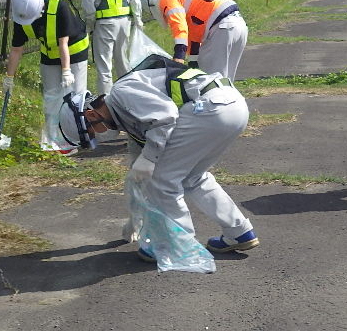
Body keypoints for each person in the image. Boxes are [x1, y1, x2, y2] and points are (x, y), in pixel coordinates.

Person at [57, 55, 258, 262]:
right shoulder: (124, 111)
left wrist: (150, 158)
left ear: (90, 115)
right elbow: (142, 159)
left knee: (163, 181)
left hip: (209, 108)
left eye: (92, 133)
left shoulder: (121, 92)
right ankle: (239, 232)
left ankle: (176, 244)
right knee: (193, 177)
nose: (99, 136)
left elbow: (165, 116)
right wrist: (134, 216)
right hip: (230, 106)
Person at [4, 0, 90, 155]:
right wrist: (9, 77)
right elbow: (16, 50)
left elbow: (63, 43)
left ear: (40, 8)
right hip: (49, 53)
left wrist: (66, 71)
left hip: (74, 51)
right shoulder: (22, 16)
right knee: (51, 97)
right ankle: (54, 141)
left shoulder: (60, 7)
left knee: (75, 97)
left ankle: (79, 137)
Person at [140, 0, 247, 80]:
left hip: (221, 28)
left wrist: (179, 57)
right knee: (226, 81)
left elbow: (179, 27)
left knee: (211, 81)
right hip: (238, 25)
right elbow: (195, 36)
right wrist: (193, 62)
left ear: (152, 5)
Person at [76, 0, 143, 96]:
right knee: (122, 61)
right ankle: (128, 95)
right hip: (124, 22)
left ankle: (105, 103)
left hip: (104, 24)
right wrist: (138, 20)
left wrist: (90, 28)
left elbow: (89, 9)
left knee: (104, 67)